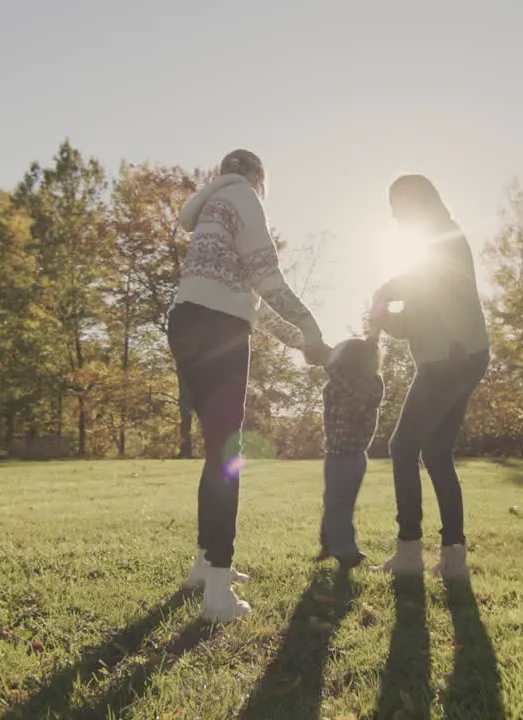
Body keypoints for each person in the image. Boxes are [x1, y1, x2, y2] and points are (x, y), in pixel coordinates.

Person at [169, 149, 330, 622]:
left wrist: (300, 342)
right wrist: (312, 327)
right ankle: (218, 591)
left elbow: (249, 304)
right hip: (218, 330)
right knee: (228, 454)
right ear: (260, 177)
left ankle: (205, 564)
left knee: (217, 449)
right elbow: (267, 278)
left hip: (186, 322)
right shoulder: (245, 197)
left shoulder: (210, 212)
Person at [368, 174, 490, 581]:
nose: (395, 216)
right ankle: (454, 557)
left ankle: (408, 551)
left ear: (418, 202)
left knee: (402, 446)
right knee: (436, 453)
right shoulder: (434, 243)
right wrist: (385, 318)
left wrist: (383, 291)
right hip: (461, 357)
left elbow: (422, 284)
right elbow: (416, 321)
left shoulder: (443, 238)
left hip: (451, 358)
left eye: (398, 206)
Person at [315, 335, 385, 569]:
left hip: (345, 454)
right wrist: (373, 336)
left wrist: (326, 359)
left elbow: (339, 376)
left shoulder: (356, 384)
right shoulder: (366, 383)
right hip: (346, 454)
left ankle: (345, 549)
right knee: (337, 501)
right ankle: (330, 544)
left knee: (339, 503)